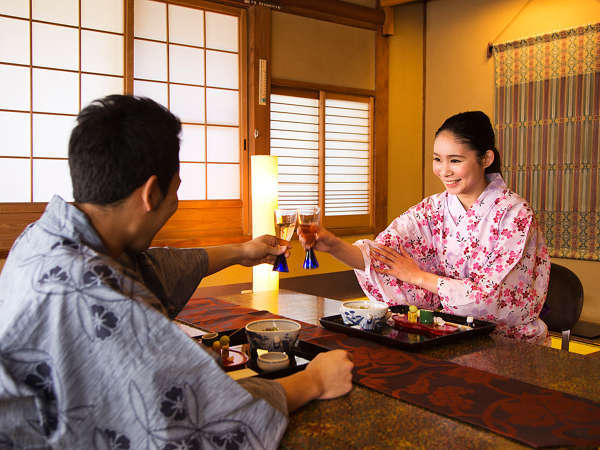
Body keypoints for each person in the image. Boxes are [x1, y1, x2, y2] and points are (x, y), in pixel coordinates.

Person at [0, 95, 353, 449]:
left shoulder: (47, 236)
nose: (175, 203)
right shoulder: (99, 299)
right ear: (151, 193)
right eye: (177, 189)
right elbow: (203, 420)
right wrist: (313, 381)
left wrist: (242, 251)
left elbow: (148, 270)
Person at [299, 111, 550, 344]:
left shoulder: (514, 213)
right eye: (437, 159)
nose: (444, 171)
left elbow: (489, 296)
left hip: (509, 344)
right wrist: (333, 245)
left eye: (455, 160)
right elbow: (384, 254)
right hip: (452, 336)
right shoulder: (434, 208)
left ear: (486, 158)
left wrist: (417, 277)